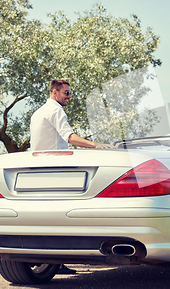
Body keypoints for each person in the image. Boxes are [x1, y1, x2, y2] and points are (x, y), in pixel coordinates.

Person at [30, 79, 115, 274]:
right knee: (62, 216)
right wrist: (97, 145)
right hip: (55, 170)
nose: (69, 97)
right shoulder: (56, 110)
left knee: (45, 218)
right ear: (55, 92)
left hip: (37, 170)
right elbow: (70, 137)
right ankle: (59, 261)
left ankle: (51, 262)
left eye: (70, 93)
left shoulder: (37, 113)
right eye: (66, 93)